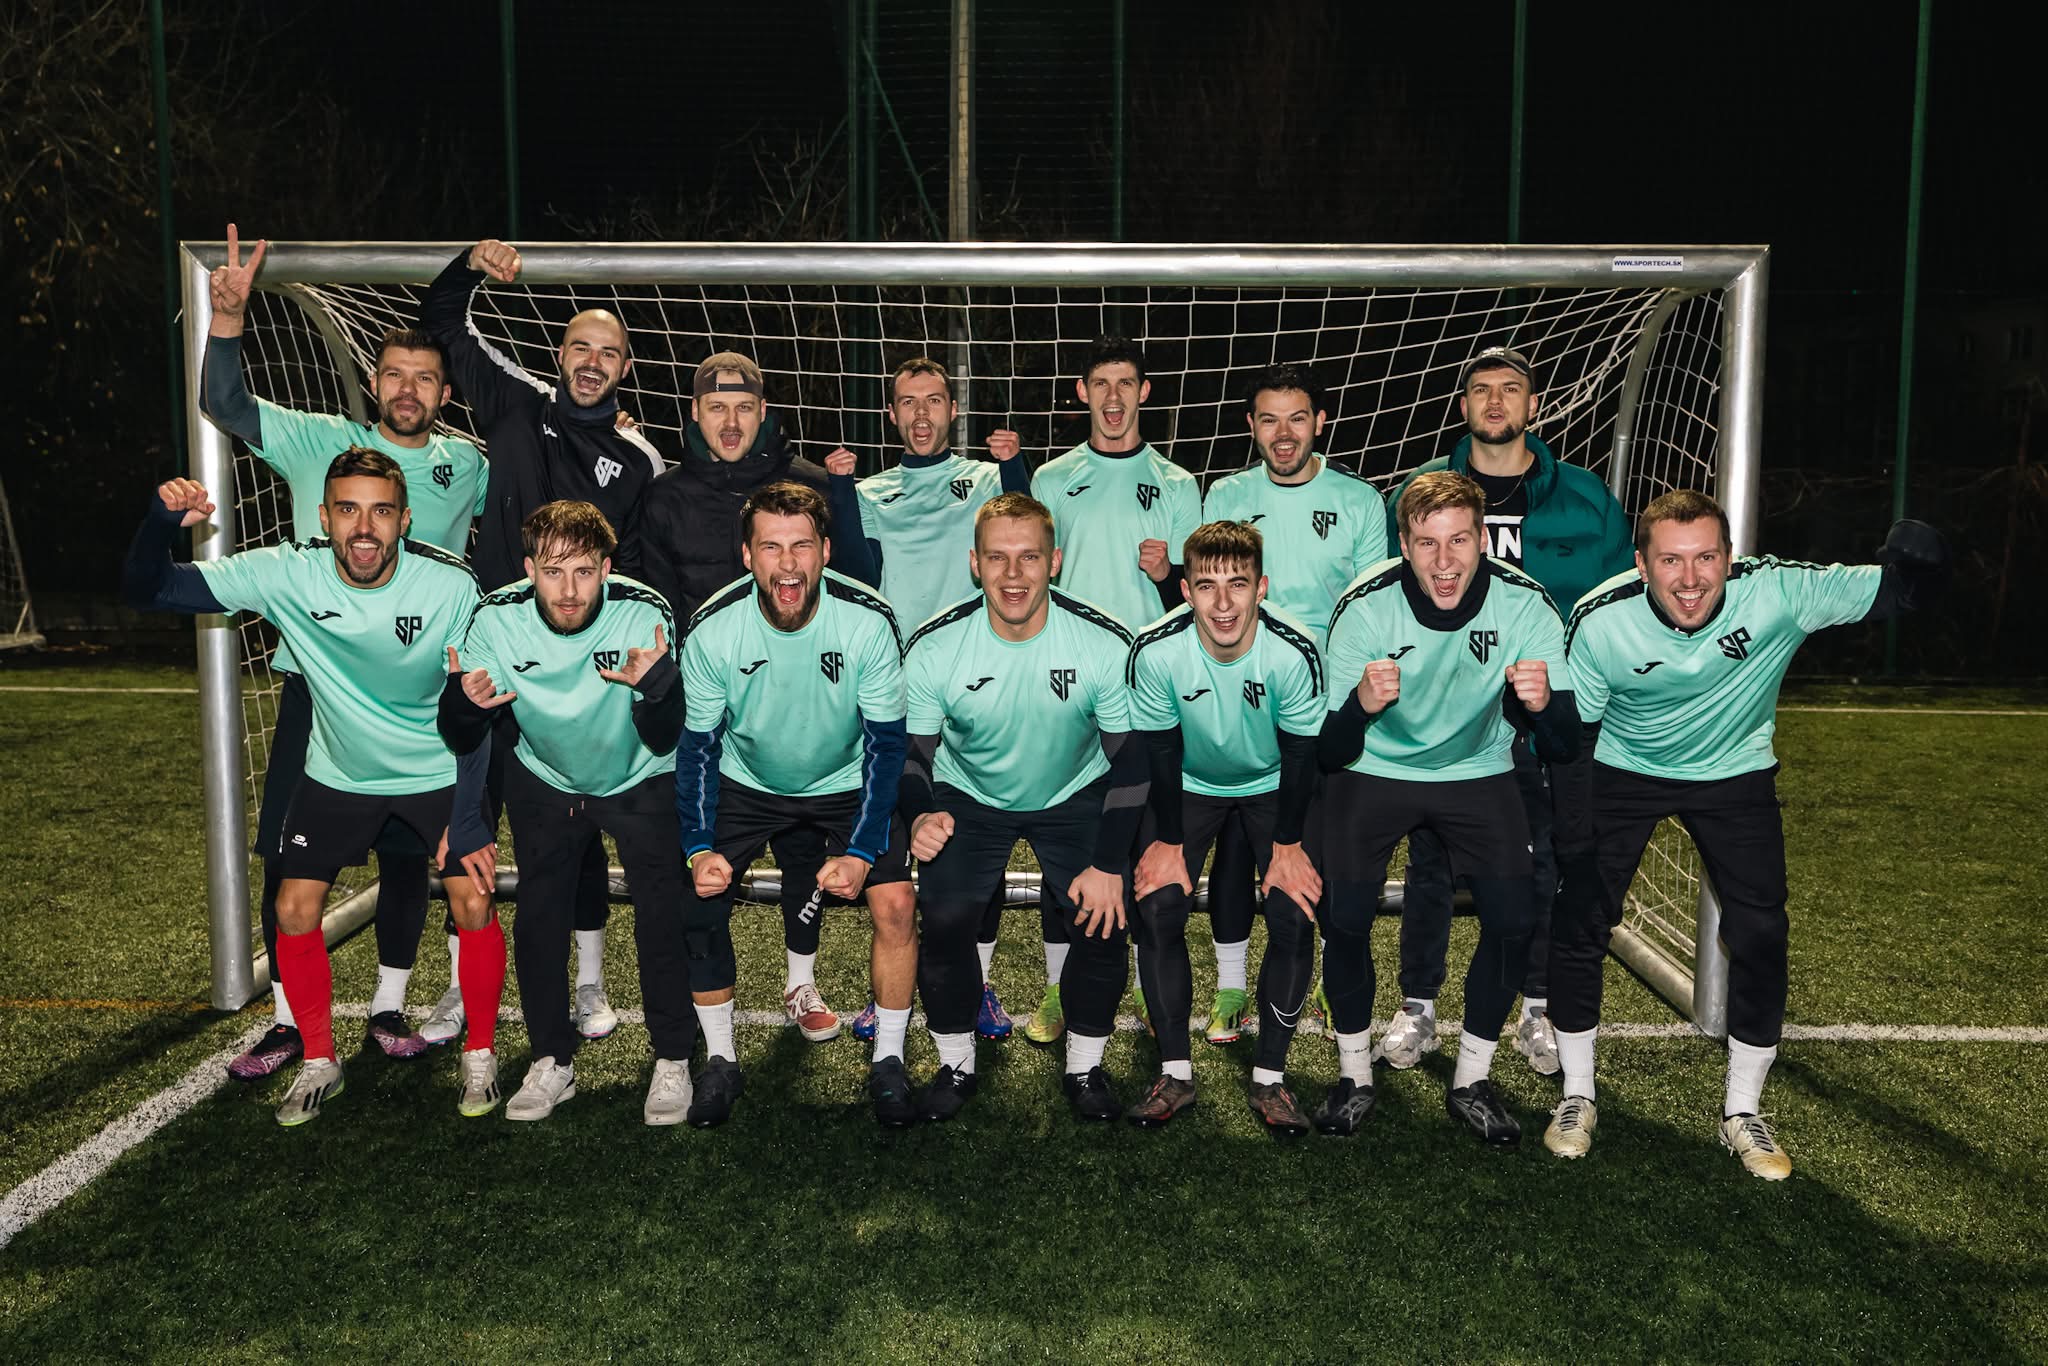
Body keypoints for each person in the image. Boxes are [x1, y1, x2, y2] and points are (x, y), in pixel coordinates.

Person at [1543, 492, 1945, 1178]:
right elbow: (1573, 740)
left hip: (1734, 772)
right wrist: (1575, 841)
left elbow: (1897, 595)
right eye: (1670, 560)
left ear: (1731, 559)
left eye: (1706, 558)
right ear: (1641, 564)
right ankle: (1577, 1093)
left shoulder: (1778, 591)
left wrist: (1923, 561)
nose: (1690, 579)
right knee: (1580, 918)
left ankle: (1742, 1110)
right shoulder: (1601, 621)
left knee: (1760, 931)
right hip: (1623, 766)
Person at [123, 453, 506, 1125]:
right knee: (293, 908)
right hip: (338, 772)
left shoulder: (449, 585)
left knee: (472, 895)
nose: (365, 528)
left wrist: (470, 814)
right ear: (324, 517)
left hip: (433, 768)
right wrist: (159, 523)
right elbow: (149, 591)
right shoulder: (287, 572)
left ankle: (480, 1055)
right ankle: (320, 1060)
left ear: (405, 520)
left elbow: (477, 714)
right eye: (348, 510)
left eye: (381, 511)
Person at [198, 225, 488, 1077]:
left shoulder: (468, 464)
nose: (408, 389)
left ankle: (388, 1008)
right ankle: (289, 1021)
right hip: (319, 690)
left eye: (424, 378)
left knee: (407, 857)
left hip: (420, 702)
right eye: (394, 374)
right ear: (374, 382)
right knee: (285, 857)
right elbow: (226, 406)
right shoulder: (317, 440)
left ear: (445, 392)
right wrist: (228, 320)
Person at [419, 237, 670, 1042]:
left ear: (626, 367)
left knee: (578, 819)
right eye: (580, 348)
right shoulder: (516, 404)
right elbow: (442, 320)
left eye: (609, 353)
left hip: (581, 663)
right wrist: (471, 264)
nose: (592, 363)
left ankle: (590, 983)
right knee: (471, 814)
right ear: (560, 355)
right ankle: (460, 981)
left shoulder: (637, 459)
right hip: (501, 652)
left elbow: (635, 570)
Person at [1378, 346, 1636, 1079]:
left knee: (1548, 862)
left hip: (1547, 713)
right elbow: (1393, 593)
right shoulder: (1421, 493)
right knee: (1431, 860)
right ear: (1463, 406)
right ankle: (1418, 1005)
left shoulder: (1584, 497)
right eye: (1482, 390)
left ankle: (1538, 1006)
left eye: (1511, 389)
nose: (1496, 401)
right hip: (1449, 714)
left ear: (1534, 404)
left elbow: (1618, 602)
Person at [1317, 472, 1578, 1145]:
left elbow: (1564, 745)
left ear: (1482, 539)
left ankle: (1471, 1080)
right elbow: (1330, 748)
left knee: (1514, 919)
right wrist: (1360, 706)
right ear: (1403, 545)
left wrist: (1543, 707)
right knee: (1344, 918)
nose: (1443, 560)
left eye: (1459, 540)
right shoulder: (1365, 607)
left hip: (1476, 768)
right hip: (1374, 766)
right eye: (1427, 543)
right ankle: (1354, 1076)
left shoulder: (1525, 604)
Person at [437, 501, 697, 1124]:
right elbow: (460, 731)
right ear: (529, 570)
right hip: (547, 776)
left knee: (662, 916)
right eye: (553, 572)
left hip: (638, 774)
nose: (570, 590)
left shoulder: (642, 612)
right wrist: (464, 704)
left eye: (584, 571)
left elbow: (665, 734)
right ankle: (552, 1059)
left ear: (607, 567)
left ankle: (672, 1057)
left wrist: (657, 687)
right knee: (540, 917)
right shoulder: (496, 618)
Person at [899, 493, 1148, 1122]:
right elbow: (911, 756)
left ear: (1054, 562)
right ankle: (955, 1062)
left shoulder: (1100, 641)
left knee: (1101, 916)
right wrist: (921, 813)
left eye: (1029, 557)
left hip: (1073, 788)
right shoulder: (936, 646)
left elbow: (1131, 762)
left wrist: (1108, 863)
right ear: (974, 563)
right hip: (970, 792)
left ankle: (1084, 1066)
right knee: (946, 914)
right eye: (997, 558)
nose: (1013, 574)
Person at [675, 482, 910, 1127]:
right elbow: (697, 751)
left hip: (845, 777)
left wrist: (862, 849)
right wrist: (698, 847)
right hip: (748, 778)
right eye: (771, 547)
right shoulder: (713, 629)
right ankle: (720, 1059)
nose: (787, 564)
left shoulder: (868, 621)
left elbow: (887, 747)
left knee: (896, 902)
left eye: (801, 546)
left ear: (826, 551)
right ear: (746, 555)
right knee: (700, 899)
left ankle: (889, 1059)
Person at [838, 356, 1029, 1043]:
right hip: (897, 689)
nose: (921, 414)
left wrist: (1015, 468)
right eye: (908, 402)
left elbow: (1025, 536)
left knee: (973, 846)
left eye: (934, 400)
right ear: (891, 414)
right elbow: (856, 573)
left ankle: (978, 986)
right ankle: (888, 991)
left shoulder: (986, 480)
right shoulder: (869, 491)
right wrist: (838, 491)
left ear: (954, 410)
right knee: (894, 846)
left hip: (973, 686)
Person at [1199, 362, 1385, 1043]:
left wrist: (1352, 704)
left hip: (1325, 712)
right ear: (1251, 426)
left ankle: (1332, 984)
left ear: (1320, 422)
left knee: (1325, 855)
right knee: (1234, 853)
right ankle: (1229, 991)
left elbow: (1369, 609)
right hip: (1239, 706)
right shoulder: (1225, 493)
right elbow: (1212, 598)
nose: (1284, 434)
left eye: (1297, 418)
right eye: (1270, 419)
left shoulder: (1360, 500)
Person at [1125, 522, 1326, 1132]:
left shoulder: (1294, 651)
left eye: (1237, 584)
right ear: (1185, 590)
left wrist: (1287, 846)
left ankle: (1270, 1079)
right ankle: (1175, 1073)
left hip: (1274, 782)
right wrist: (1168, 841)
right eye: (1207, 585)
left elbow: (1302, 757)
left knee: (1293, 909)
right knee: (1158, 904)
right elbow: (1160, 752)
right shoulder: (1155, 650)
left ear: (1261, 588)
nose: (1222, 603)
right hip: (1189, 783)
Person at [1025, 337, 1198, 1043]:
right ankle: (1057, 991)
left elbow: (1196, 601)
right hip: (1068, 685)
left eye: (1127, 383)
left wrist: (1166, 574)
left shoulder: (1178, 484)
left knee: (1147, 845)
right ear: (1082, 393)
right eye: (1102, 383)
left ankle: (1157, 996)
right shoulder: (1050, 478)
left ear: (1144, 392)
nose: (1114, 396)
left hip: (1148, 689)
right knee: (1067, 843)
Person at [638, 351, 874, 629]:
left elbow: (858, 587)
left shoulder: (813, 487)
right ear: (695, 410)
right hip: (702, 654)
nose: (731, 423)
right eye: (717, 407)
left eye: (744, 407)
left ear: (762, 411)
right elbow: (659, 609)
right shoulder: (663, 497)